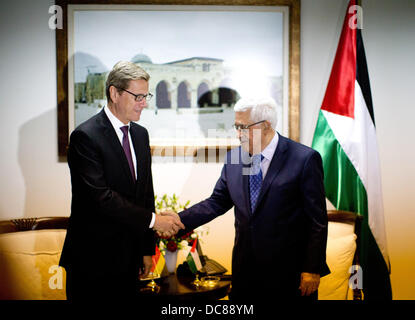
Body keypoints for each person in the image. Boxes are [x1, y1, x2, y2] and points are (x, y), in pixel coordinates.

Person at [177, 96, 330, 301]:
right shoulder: (235, 158)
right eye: (236, 127)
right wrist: (178, 220)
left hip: (289, 275)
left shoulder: (303, 159)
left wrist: (312, 269)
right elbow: (217, 202)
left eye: (243, 127)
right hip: (245, 274)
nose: (238, 134)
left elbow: (317, 221)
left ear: (265, 126)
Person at [59, 61, 184, 301]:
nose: (144, 103)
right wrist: (154, 221)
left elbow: (146, 193)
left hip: (130, 259)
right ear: (114, 93)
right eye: (138, 96)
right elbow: (101, 198)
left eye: (145, 96)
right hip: (92, 261)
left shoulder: (140, 134)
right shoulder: (85, 136)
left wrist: (147, 249)